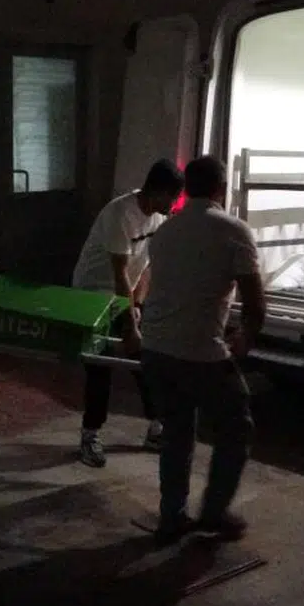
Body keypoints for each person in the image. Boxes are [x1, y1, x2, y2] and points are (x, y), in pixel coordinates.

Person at [140, 155, 266, 545]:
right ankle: (214, 511)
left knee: (177, 431)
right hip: (199, 352)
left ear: (186, 189)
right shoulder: (234, 231)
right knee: (236, 426)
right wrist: (246, 337)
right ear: (220, 189)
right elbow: (255, 302)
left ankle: (172, 516)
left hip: (155, 348)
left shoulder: (165, 231)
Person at [71, 160, 184, 467]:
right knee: (101, 364)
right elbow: (119, 272)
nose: (174, 203)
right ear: (158, 191)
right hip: (93, 294)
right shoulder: (120, 213)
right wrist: (130, 325)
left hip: (123, 295)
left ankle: (156, 427)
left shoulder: (158, 218)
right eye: (173, 197)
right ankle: (90, 434)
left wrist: (137, 307)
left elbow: (145, 268)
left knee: (146, 360)